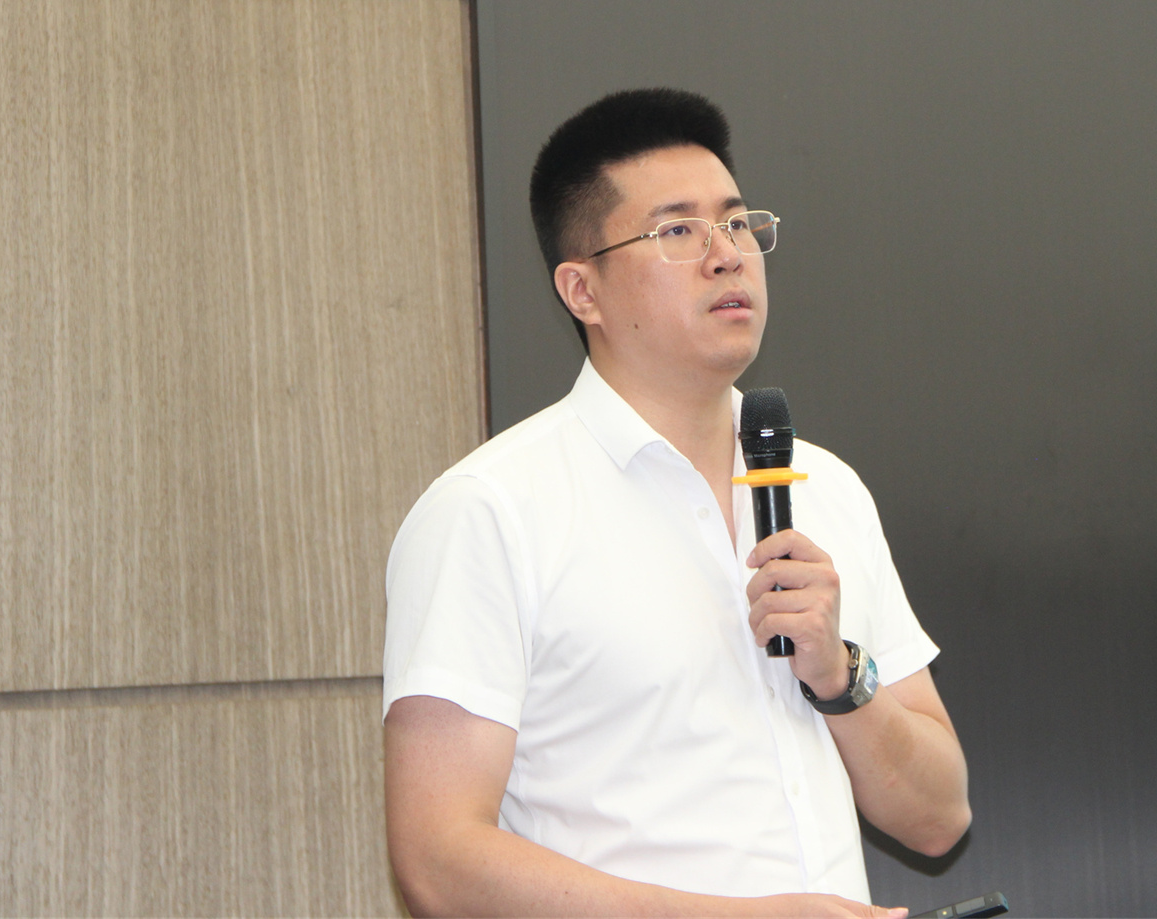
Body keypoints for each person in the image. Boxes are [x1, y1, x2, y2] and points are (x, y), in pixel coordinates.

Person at [382, 89, 970, 917]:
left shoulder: (826, 487)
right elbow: (437, 861)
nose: (727, 255)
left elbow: (940, 817)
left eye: (736, 223)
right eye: (677, 231)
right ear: (582, 290)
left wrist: (839, 675)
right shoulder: (490, 511)